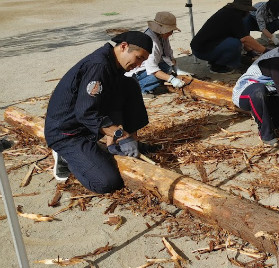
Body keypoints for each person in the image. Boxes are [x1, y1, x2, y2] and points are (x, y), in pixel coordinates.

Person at [44, 31, 154, 194]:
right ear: (124, 47)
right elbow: (86, 113)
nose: (139, 65)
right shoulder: (99, 65)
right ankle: (66, 157)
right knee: (107, 182)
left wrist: (126, 138)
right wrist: (121, 135)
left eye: (143, 61)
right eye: (138, 58)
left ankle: (124, 146)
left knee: (129, 84)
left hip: (85, 123)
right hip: (67, 133)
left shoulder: (114, 62)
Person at [191, 0, 267, 73]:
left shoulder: (229, 11)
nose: (248, 13)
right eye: (247, 10)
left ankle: (215, 61)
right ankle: (218, 67)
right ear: (243, 9)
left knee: (234, 42)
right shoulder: (233, 16)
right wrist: (265, 50)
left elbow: (241, 34)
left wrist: (250, 51)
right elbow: (245, 39)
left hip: (201, 48)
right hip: (202, 50)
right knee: (235, 44)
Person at [127, 11, 190, 94]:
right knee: (165, 70)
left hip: (150, 68)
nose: (171, 33)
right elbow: (152, 69)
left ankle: (151, 83)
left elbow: (169, 54)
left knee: (168, 67)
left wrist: (177, 69)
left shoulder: (162, 35)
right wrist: (171, 79)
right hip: (138, 73)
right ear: (161, 29)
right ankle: (140, 88)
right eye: (169, 31)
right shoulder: (151, 42)